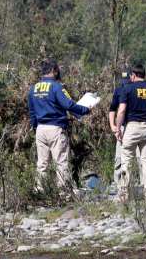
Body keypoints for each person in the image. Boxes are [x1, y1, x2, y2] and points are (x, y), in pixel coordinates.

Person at [28, 59, 92, 192]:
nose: (58, 72)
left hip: (40, 129)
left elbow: (32, 113)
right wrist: (86, 110)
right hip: (56, 128)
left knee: (42, 164)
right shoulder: (57, 87)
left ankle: (40, 192)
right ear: (53, 70)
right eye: (58, 69)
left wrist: (36, 129)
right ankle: (64, 194)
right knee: (61, 162)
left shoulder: (33, 89)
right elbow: (69, 105)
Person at [115, 64, 146, 202]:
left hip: (132, 127)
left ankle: (124, 194)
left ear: (133, 76)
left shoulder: (128, 90)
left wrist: (118, 129)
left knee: (127, 161)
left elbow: (122, 111)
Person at [109, 68, 143, 188]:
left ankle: (143, 183)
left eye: (127, 82)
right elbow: (113, 108)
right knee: (119, 156)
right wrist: (113, 125)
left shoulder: (139, 90)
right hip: (123, 128)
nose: (125, 85)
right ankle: (118, 183)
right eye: (123, 83)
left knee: (140, 157)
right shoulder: (119, 91)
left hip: (136, 125)